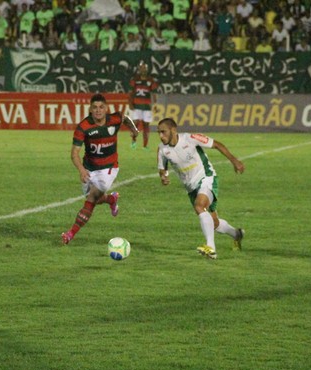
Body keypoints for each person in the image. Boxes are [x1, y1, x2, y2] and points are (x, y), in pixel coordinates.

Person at [156, 118, 245, 259]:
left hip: (206, 177)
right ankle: (236, 234)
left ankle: (211, 248)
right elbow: (162, 169)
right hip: (191, 188)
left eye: (163, 132)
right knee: (214, 223)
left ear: (173, 130)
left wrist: (234, 161)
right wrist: (164, 177)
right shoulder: (162, 149)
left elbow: (217, 145)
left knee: (199, 206)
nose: (161, 136)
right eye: (159, 133)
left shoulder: (190, 138)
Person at [61, 94, 139, 245]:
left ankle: (70, 234)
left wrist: (134, 130)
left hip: (109, 168)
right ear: (90, 109)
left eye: (101, 107)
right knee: (94, 198)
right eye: (95, 107)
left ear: (106, 108)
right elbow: (74, 153)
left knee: (91, 198)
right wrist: (82, 170)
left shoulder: (114, 120)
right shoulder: (83, 127)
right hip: (89, 168)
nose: (98, 110)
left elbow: (125, 118)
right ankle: (111, 199)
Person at [129, 61, 159, 150]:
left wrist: (155, 105)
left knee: (146, 126)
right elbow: (131, 93)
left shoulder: (150, 80)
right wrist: (130, 103)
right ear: (139, 69)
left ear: (147, 69)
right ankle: (134, 141)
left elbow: (153, 93)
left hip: (147, 107)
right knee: (136, 124)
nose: (143, 69)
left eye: (144, 68)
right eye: (141, 68)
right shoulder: (135, 80)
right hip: (136, 105)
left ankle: (145, 145)